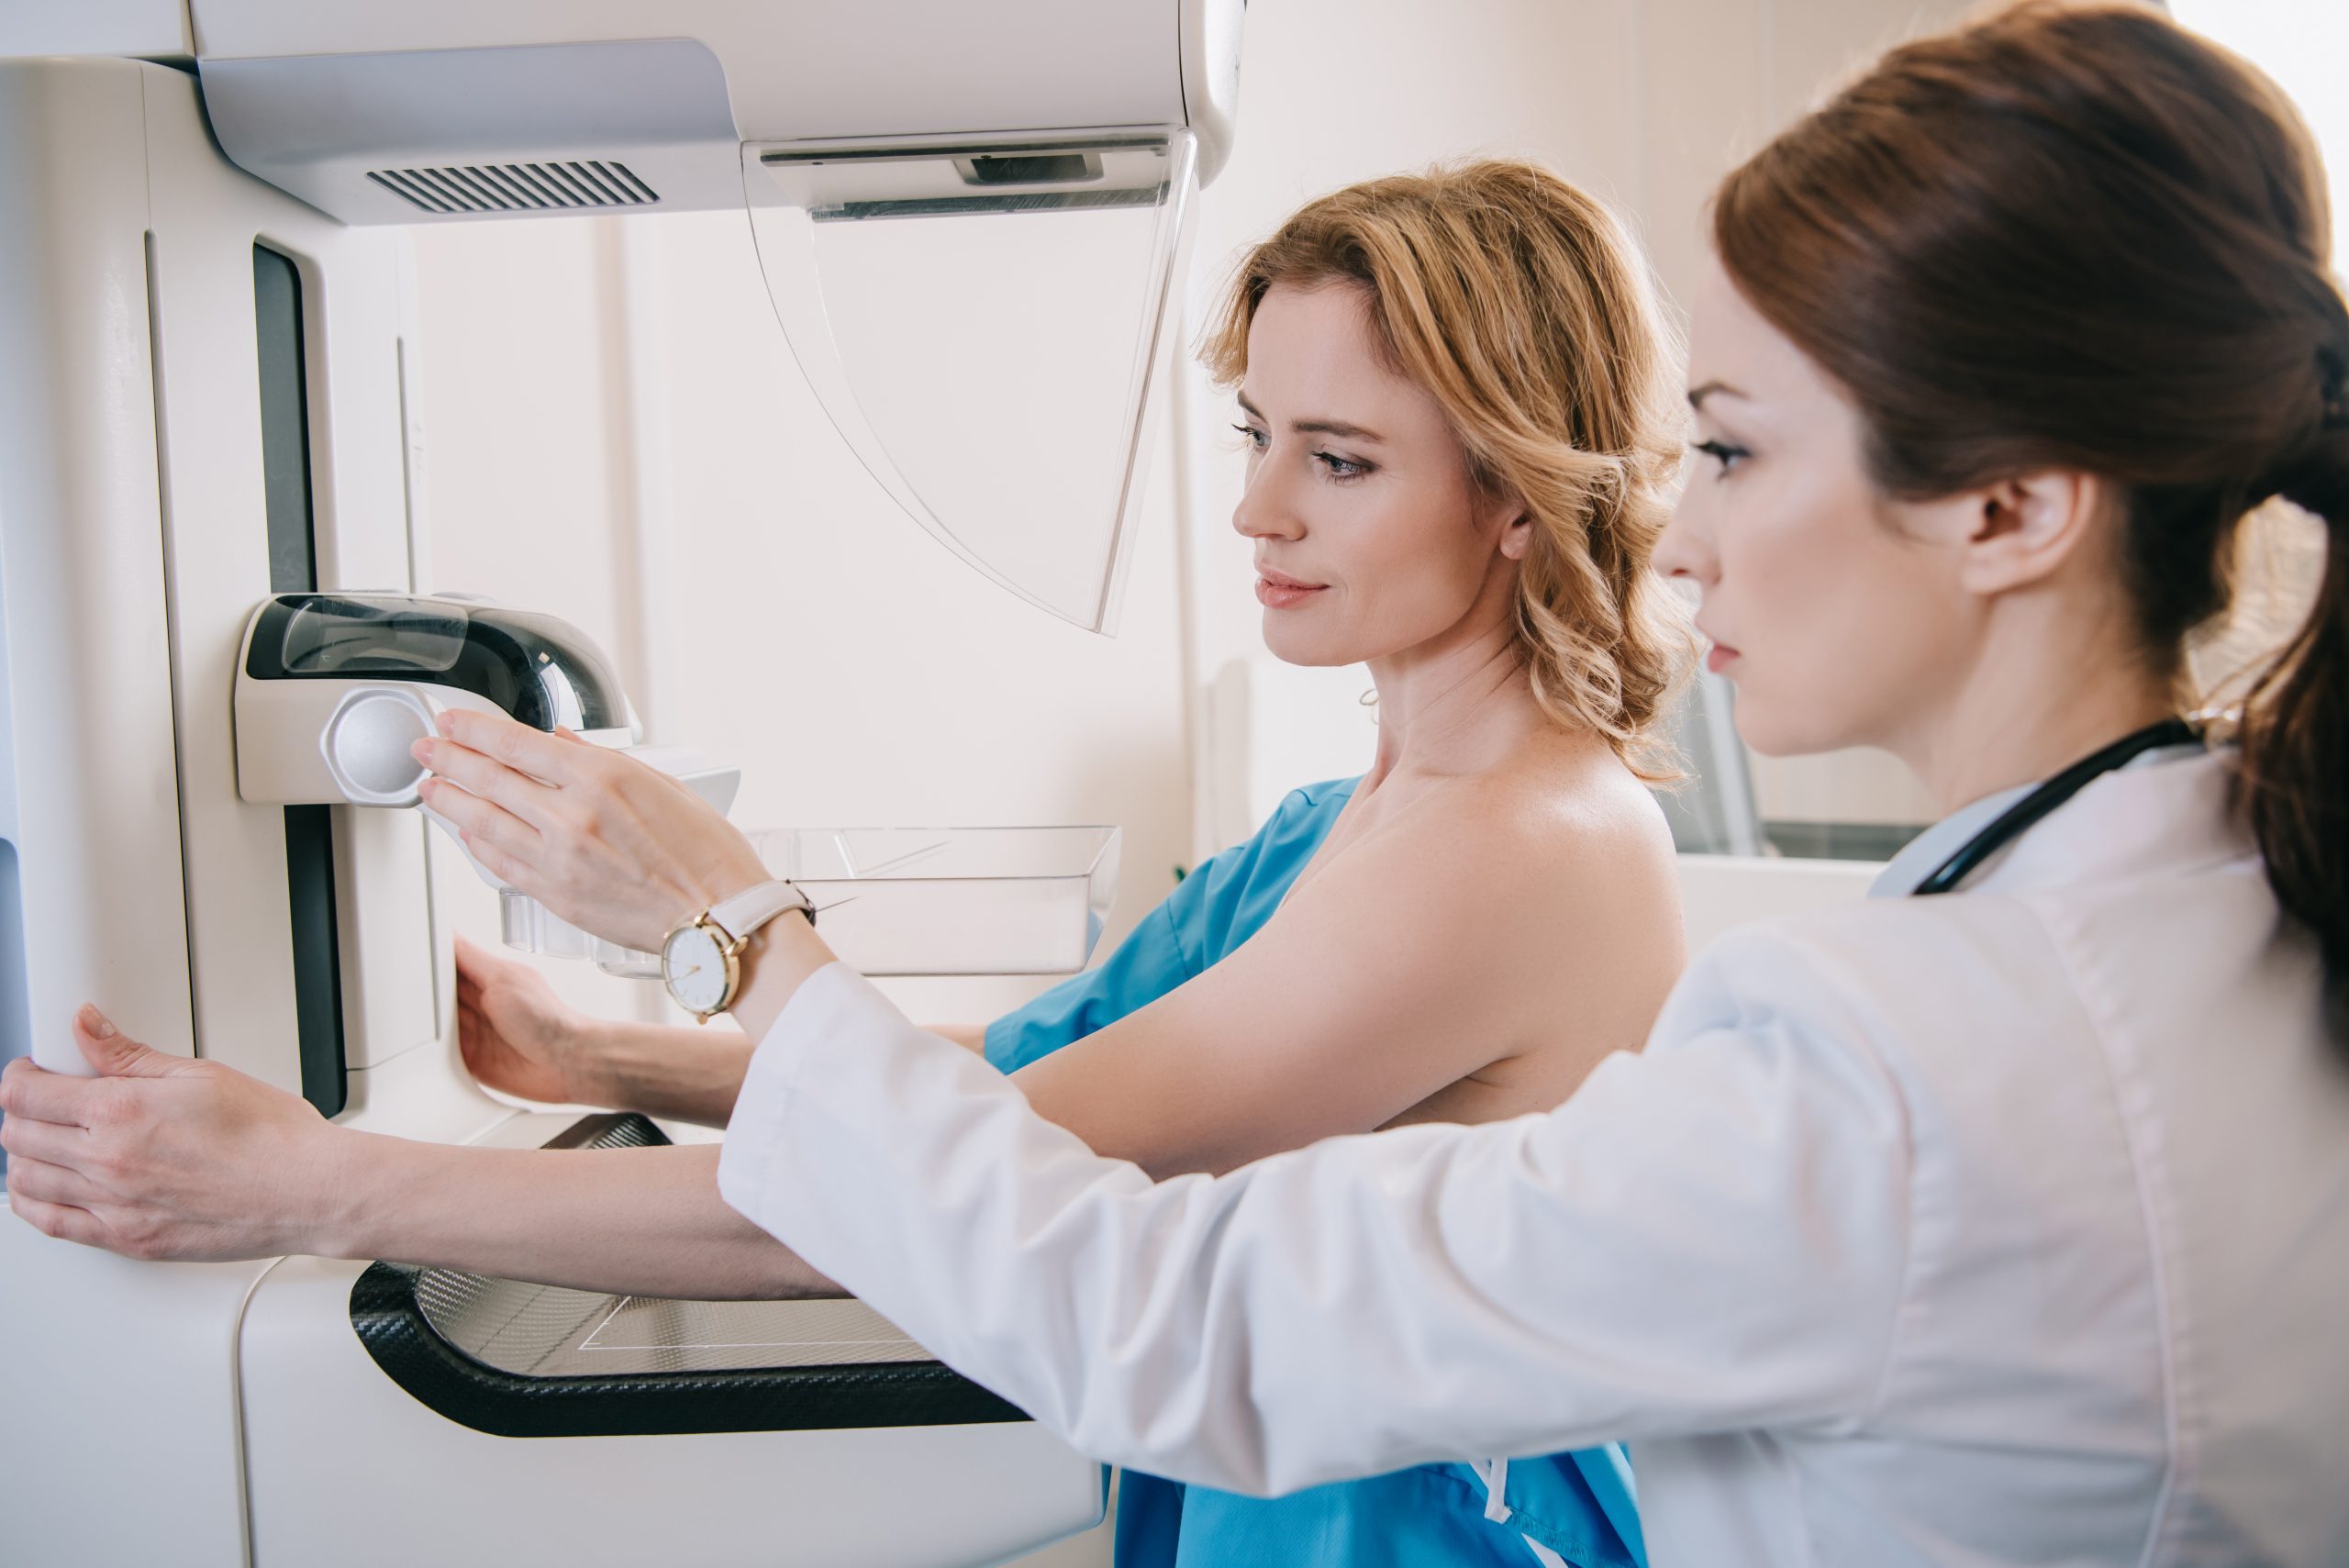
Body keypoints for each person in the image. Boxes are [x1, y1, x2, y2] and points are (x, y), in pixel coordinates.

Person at [70, 3, 2335, 1561]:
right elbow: (1022, 1103)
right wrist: (633, 1044)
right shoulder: (2169, 924)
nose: (1685, 530)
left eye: (1735, 454)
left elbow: (1140, 1294)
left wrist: (628, 987)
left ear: (2010, 508)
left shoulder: (1880, 1047)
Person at [5, 163, 1698, 1567]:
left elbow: (936, 1192)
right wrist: (606, 1054)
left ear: (1519, 493)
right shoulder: (1341, 823)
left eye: (1338, 459)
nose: (1260, 510)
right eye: (1254, 433)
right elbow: (1012, 1086)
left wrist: (316, 1183)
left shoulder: (1518, 851)